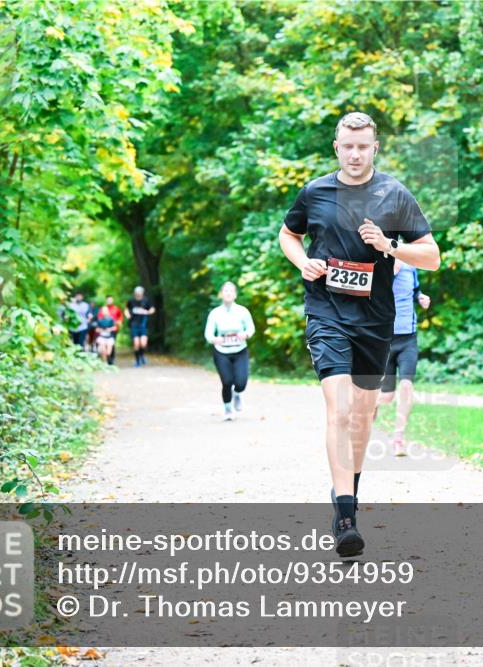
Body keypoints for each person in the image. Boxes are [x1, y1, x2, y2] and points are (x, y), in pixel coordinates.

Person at [278, 111, 440, 557]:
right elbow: (288, 234)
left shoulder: (394, 194)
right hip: (326, 310)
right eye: (347, 146)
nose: (354, 153)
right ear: (337, 147)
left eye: (363, 146)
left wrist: (389, 246)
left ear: (374, 148)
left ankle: (346, 488)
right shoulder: (315, 192)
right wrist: (302, 262)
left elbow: (432, 257)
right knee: (339, 409)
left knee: (364, 416)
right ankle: (346, 515)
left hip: (375, 320)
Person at [377, 259, 431, 455]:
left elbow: (415, 290)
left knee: (407, 385)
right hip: (384, 339)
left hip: (408, 338)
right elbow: (370, 294)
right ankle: (370, 404)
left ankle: (398, 438)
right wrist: (389, 271)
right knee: (386, 396)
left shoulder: (411, 265)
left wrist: (421, 297)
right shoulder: (378, 263)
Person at [204, 281, 255, 421]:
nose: (228, 293)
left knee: (241, 382)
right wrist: (215, 339)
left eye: (231, 291)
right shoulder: (215, 313)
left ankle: (237, 394)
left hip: (240, 350)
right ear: (221, 294)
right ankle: (228, 409)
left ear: (235, 295)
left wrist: (246, 334)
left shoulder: (243, 311)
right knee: (227, 381)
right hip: (221, 351)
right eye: (225, 291)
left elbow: (251, 328)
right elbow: (208, 334)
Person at [126, 286, 155, 367]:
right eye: (136, 293)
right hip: (134, 324)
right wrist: (127, 315)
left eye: (139, 293)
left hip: (143, 325)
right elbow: (126, 309)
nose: (138, 294)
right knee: (136, 343)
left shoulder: (146, 300)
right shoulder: (131, 301)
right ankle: (137, 361)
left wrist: (148, 312)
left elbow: (152, 309)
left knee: (143, 344)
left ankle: (142, 355)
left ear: (142, 293)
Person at [104, 296, 124, 363]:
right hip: (104, 330)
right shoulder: (103, 309)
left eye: (111, 300)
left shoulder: (116, 309)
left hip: (113, 330)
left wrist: (119, 323)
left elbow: (120, 317)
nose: (109, 301)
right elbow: (99, 318)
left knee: (112, 344)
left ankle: (111, 359)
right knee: (104, 344)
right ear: (106, 300)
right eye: (108, 300)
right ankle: (106, 358)